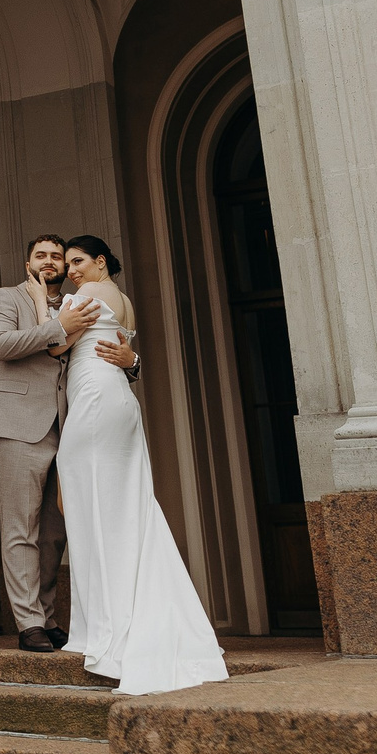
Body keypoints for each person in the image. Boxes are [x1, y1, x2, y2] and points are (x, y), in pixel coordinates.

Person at [53, 235, 228, 695]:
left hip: (94, 403)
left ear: (100, 261)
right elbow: (122, 352)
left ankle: (110, 632)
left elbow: (55, 345)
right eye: (68, 263)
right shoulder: (124, 301)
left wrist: (39, 296)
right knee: (125, 509)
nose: (71, 269)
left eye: (78, 261)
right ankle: (123, 619)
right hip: (116, 400)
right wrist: (133, 362)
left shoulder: (87, 294)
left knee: (93, 508)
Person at [0, 233, 132, 653]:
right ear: (28, 262)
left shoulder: (77, 301)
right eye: (40, 255)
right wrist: (56, 329)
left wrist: (131, 363)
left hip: (70, 428)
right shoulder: (6, 297)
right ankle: (27, 622)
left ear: (66, 266)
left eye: (56, 257)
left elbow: (105, 350)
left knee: (54, 532)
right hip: (16, 424)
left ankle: (47, 617)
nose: (49, 262)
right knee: (21, 529)